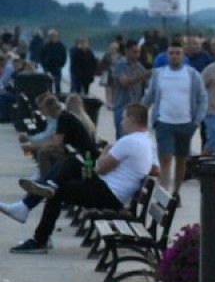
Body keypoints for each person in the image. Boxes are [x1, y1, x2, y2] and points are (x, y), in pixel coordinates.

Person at [8, 104, 155, 254]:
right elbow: (154, 169)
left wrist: (105, 153)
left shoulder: (128, 141)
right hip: (113, 192)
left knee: (60, 187)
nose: (122, 121)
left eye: (124, 118)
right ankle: (38, 199)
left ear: (132, 119)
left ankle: (38, 236)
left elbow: (101, 169)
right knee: (69, 164)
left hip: (108, 193)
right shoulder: (148, 141)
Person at [141, 43, 208, 205]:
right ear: (167, 55)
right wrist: (140, 113)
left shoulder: (192, 75)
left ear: (183, 55)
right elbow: (149, 96)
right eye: (171, 53)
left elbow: (202, 97)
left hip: (186, 123)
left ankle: (176, 192)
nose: (174, 56)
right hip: (164, 121)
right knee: (165, 158)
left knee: (181, 159)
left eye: (178, 53)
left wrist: (197, 120)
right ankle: (163, 192)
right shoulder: (159, 74)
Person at [111, 40, 151, 139]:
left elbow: (147, 85)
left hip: (135, 106)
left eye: (138, 52)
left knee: (134, 137)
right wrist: (142, 76)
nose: (137, 55)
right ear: (126, 51)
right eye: (134, 52)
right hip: (121, 106)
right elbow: (124, 82)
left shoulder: (139, 66)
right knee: (122, 137)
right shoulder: (120, 65)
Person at [41, 29, 67, 93]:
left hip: (57, 68)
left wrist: (61, 65)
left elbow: (64, 56)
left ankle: (58, 98)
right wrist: (44, 66)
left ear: (57, 36)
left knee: (57, 85)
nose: (52, 37)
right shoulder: (45, 46)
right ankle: (49, 98)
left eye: (53, 36)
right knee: (48, 85)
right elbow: (41, 57)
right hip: (47, 68)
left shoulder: (61, 46)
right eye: (50, 36)